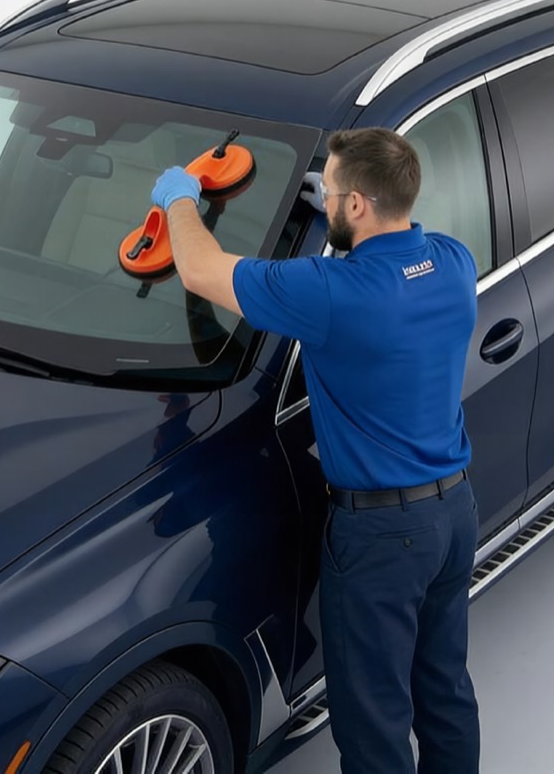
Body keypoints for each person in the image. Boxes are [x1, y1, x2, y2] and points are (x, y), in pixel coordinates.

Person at [151, 127, 481, 773]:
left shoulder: (332, 291)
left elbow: (198, 268)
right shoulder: (452, 259)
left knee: (371, 720)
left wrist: (178, 198)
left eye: (331, 193)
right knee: (444, 690)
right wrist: (337, 203)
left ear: (358, 205)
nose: (324, 199)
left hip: (382, 536)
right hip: (454, 514)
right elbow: (400, 242)